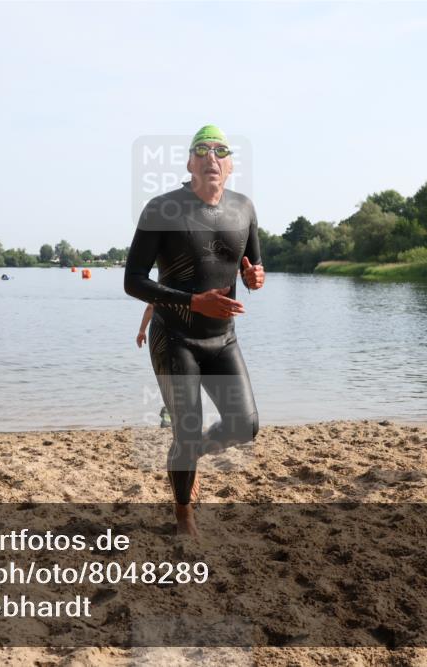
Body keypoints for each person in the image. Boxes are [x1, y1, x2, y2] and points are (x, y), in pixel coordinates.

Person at [124, 125, 265, 536]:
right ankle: (183, 515)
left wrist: (256, 278)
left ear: (231, 165)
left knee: (245, 425)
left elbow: (252, 268)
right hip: (175, 336)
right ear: (189, 163)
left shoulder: (244, 209)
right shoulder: (162, 209)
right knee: (187, 428)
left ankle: (186, 453)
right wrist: (191, 301)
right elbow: (133, 280)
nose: (211, 156)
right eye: (201, 150)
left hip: (223, 338)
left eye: (221, 150)